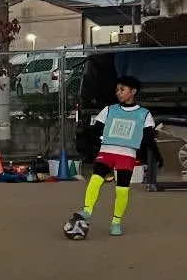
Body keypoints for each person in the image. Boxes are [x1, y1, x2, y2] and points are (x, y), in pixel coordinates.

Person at [68, 75, 160, 238]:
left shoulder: (144, 114)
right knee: (95, 180)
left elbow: (148, 139)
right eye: (117, 89)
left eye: (122, 89)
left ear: (133, 92)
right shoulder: (109, 109)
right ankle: (87, 211)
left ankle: (116, 223)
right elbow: (95, 131)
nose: (118, 92)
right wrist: (97, 144)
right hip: (107, 152)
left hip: (127, 155)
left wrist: (157, 156)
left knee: (122, 190)